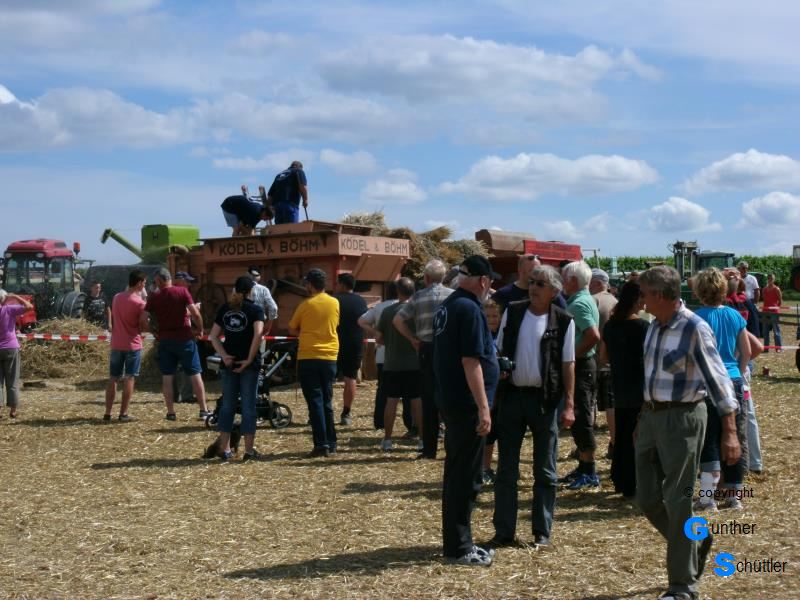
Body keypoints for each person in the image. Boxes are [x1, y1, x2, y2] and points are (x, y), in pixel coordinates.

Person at [636, 266, 740, 600]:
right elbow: (651, 378)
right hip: (651, 417)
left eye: (645, 294)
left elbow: (719, 381)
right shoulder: (654, 326)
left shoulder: (695, 328)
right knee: (647, 498)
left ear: (660, 295)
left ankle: (683, 587)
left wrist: (730, 432)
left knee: (678, 501)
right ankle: (695, 542)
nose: (641, 299)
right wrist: (642, 420)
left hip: (683, 419)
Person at [487, 265, 576, 550]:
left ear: (554, 291)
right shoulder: (513, 312)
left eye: (540, 284)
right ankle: (504, 532)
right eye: (532, 282)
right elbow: (499, 349)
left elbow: (568, 364)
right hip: (513, 397)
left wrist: (569, 404)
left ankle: (542, 532)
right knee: (506, 469)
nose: (533, 287)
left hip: (545, 400)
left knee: (546, 470)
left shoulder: (564, 321)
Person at [433, 255, 500, 566]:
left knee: (457, 472)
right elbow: (470, 361)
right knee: (466, 477)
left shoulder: (449, 305)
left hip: (452, 400)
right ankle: (460, 548)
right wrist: (484, 408)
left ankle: (457, 542)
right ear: (483, 281)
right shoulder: (469, 309)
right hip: (466, 403)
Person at [693, 268, 750, 511]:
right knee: (733, 436)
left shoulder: (696, 318)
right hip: (733, 380)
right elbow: (746, 352)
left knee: (710, 439)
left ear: (699, 290)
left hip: (707, 383)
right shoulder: (735, 316)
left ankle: (708, 498)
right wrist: (739, 374)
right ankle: (734, 496)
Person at [393, 259, 453, 459]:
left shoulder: (418, 297)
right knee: (449, 396)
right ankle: (452, 445)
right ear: (444, 277)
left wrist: (412, 339)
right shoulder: (453, 296)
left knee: (428, 399)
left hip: (426, 348)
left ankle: (429, 449)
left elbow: (398, 320)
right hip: (448, 348)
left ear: (426, 278)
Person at [208, 276, 265, 461]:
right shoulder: (256, 310)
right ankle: (248, 451)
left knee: (227, 406)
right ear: (251, 291)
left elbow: (213, 336)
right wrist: (249, 359)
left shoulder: (226, 308)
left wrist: (224, 355)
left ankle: (224, 449)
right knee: (249, 407)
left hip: (229, 364)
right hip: (248, 365)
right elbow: (258, 334)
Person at [599, 281, 648, 497]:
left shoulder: (610, 326)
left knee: (621, 435)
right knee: (637, 436)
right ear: (636, 300)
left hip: (620, 385)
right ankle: (633, 482)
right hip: (640, 387)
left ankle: (620, 479)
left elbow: (603, 357)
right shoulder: (643, 327)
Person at [144, 268, 210, 421]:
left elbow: (143, 318)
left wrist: (153, 332)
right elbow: (195, 313)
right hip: (184, 338)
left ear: (159, 280)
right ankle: (203, 410)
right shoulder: (182, 292)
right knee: (195, 373)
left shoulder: (154, 296)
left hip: (165, 339)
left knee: (167, 376)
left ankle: (171, 412)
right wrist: (200, 329)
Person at [288, 268, 340, 457]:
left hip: (309, 356)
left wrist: (304, 333)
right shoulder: (335, 302)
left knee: (315, 401)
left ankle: (321, 444)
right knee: (327, 400)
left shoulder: (305, 305)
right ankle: (332, 442)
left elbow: (292, 328)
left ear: (310, 285)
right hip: (330, 356)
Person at [559, 261, 601, 490]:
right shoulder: (583, 299)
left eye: (564, 278)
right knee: (579, 416)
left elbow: (593, 335)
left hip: (582, 366)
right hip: (584, 364)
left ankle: (590, 471)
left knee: (581, 416)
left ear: (573, 280)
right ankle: (583, 467)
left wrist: (571, 356)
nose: (562, 282)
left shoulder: (579, 304)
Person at [357, 282, 413, 432]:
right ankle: (411, 425)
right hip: (409, 356)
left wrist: (375, 332)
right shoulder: (410, 307)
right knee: (410, 393)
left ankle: (380, 421)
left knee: (384, 391)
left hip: (384, 355)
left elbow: (361, 321)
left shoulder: (380, 307)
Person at [375, 277, 423, 451]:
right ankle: (422, 440)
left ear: (397, 291)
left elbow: (379, 338)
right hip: (415, 363)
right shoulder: (418, 311)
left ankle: (388, 439)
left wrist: (389, 340)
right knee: (417, 401)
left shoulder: (388, 311)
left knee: (391, 401)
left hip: (392, 363)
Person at [104, 270, 148, 422]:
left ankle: (108, 413)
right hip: (132, 345)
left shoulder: (117, 297)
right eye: (144, 283)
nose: (145, 286)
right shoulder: (140, 303)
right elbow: (143, 325)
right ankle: (123, 414)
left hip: (116, 343)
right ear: (139, 283)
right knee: (129, 378)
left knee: (113, 378)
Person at [590, 268, 617, 459]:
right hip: (614, 361)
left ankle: (587, 446)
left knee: (589, 401)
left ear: (598, 283)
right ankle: (614, 443)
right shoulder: (616, 301)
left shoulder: (593, 300)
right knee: (611, 404)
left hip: (595, 360)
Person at [334, 273, 368, 425]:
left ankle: (323, 411)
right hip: (354, 343)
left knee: (328, 379)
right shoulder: (361, 301)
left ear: (342, 284)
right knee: (351, 378)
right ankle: (346, 413)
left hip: (334, 343)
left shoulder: (333, 300)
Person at [0, 290, 33, 419]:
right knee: (12, 380)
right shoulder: (9, 309)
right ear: (4, 299)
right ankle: (13, 410)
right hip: (11, 347)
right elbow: (29, 306)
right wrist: (15, 296)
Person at [171, 271, 199, 404]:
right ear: (180, 280)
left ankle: (174, 395)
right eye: (187, 281)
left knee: (172, 367)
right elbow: (182, 313)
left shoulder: (166, 292)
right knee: (189, 365)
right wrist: (195, 309)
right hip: (183, 335)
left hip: (169, 336)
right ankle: (187, 395)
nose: (189, 284)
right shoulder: (182, 293)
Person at [267, 161, 308, 225]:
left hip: (277, 207)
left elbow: (270, 195)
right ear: (299, 167)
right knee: (291, 228)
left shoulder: (279, 175)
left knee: (279, 229)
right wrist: (305, 199)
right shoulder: (298, 171)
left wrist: (268, 209)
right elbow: (302, 186)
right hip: (290, 204)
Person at [246, 267, 278, 334]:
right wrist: (268, 326)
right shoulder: (264, 289)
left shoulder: (237, 288)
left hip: (242, 324)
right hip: (259, 324)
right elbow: (273, 308)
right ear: (259, 277)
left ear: (247, 274)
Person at [761, 273, 783, 351]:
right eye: (769, 278)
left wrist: (776, 308)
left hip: (774, 312)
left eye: (771, 278)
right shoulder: (764, 289)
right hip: (765, 312)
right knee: (765, 331)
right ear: (767, 279)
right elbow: (764, 299)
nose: (770, 280)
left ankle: (778, 348)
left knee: (776, 330)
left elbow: (780, 301)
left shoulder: (777, 289)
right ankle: (766, 348)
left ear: (774, 280)